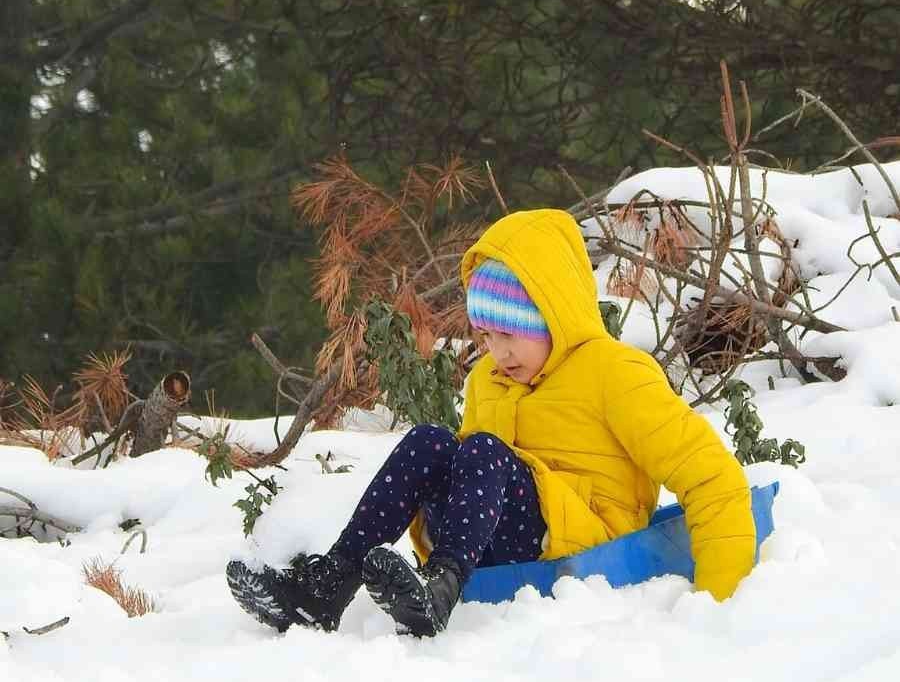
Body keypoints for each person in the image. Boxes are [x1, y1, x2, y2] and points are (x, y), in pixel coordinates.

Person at [226, 208, 756, 639]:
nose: (496, 352)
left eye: (512, 333)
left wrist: (719, 602)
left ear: (556, 313)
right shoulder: (488, 380)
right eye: (484, 335)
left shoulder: (616, 374)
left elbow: (709, 477)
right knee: (430, 442)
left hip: (584, 533)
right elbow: (473, 477)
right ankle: (330, 585)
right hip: (501, 532)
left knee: (480, 448)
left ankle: (442, 588)